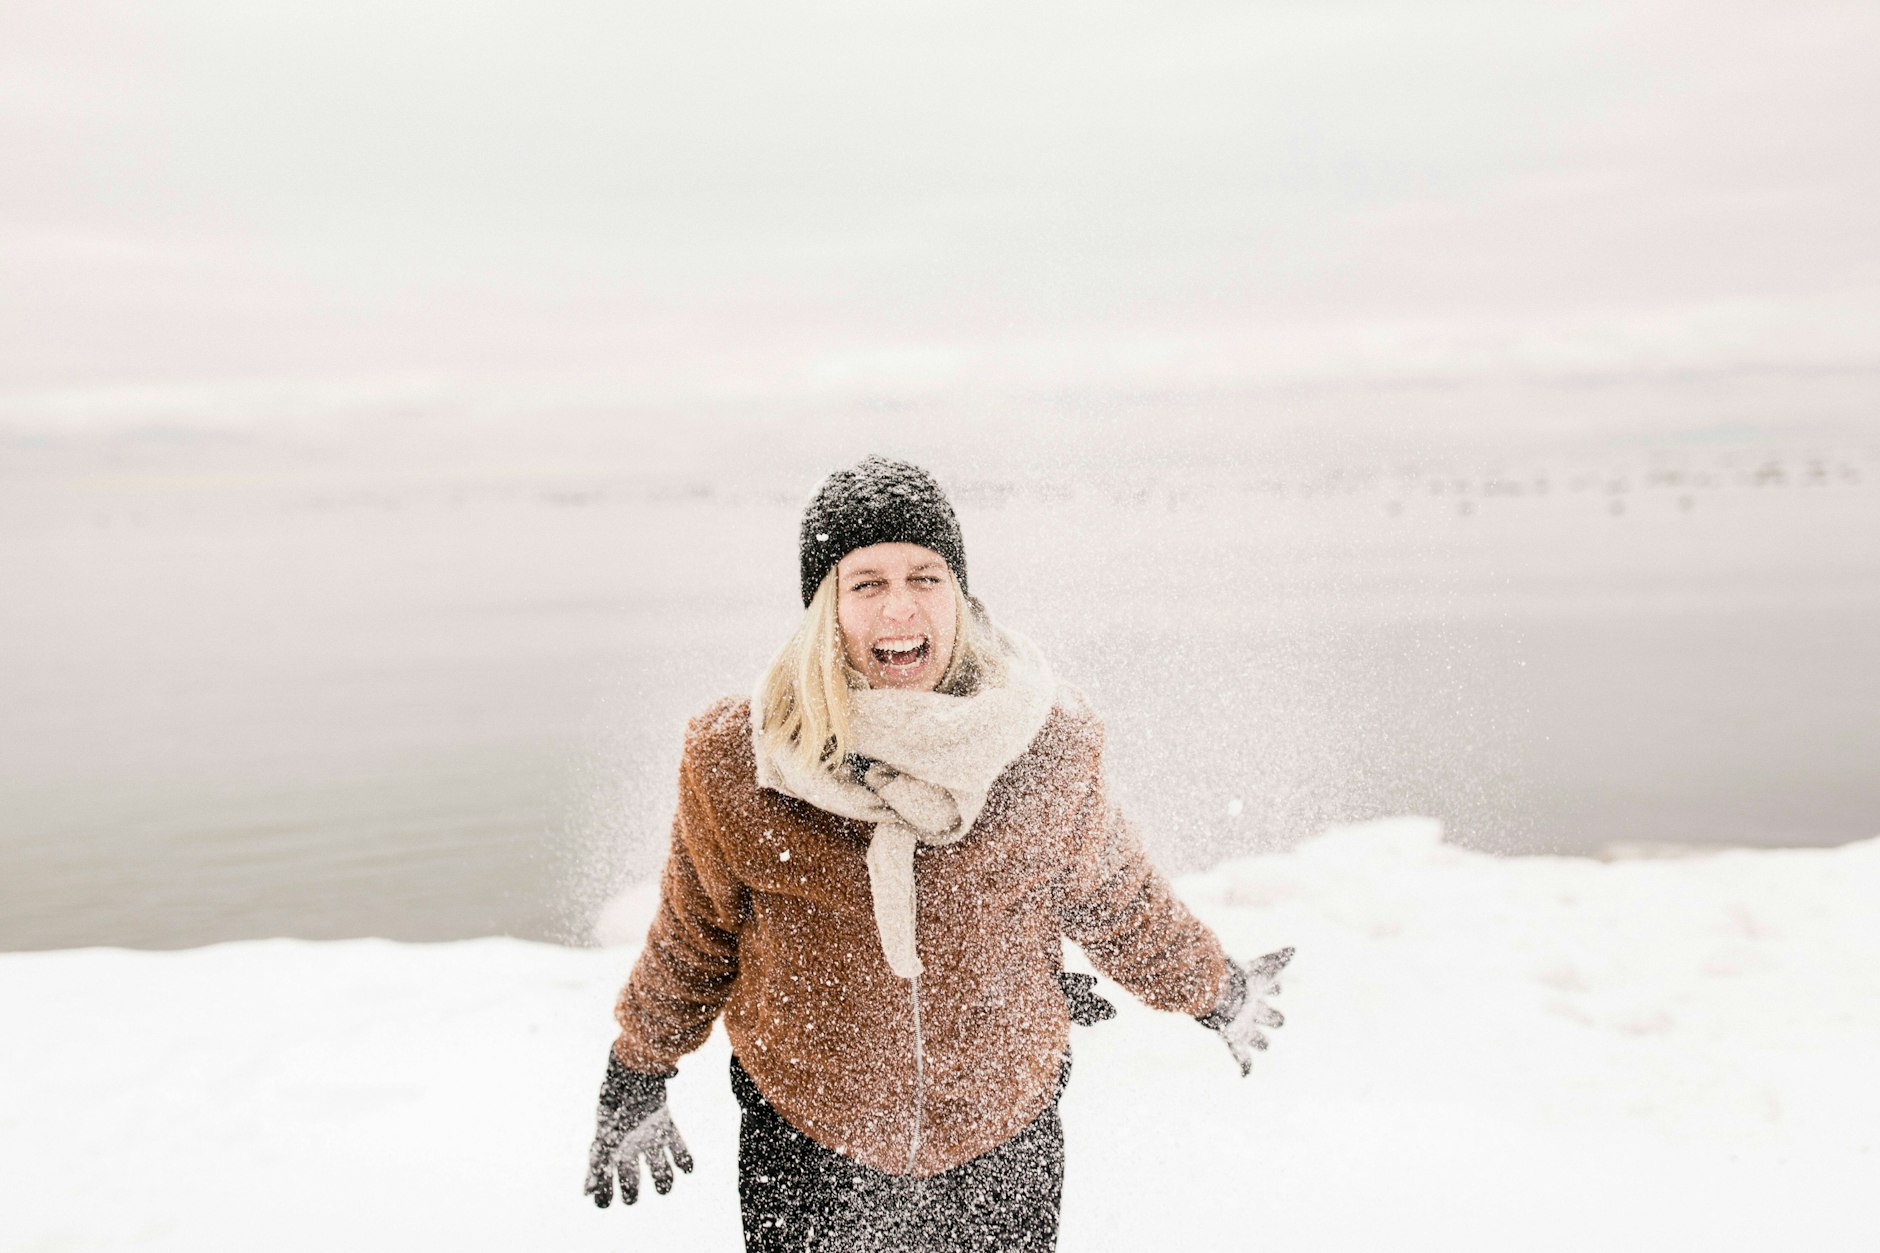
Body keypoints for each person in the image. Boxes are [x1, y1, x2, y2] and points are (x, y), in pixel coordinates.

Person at [583, 455, 1292, 1252]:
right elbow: (696, 931)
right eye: (867, 583)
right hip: (812, 1144)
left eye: (926, 576)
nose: (900, 608)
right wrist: (639, 1066)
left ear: (959, 593)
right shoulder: (740, 761)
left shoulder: (1042, 749)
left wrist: (1215, 988)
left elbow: (1117, 898)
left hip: (1000, 1142)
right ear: (825, 607)